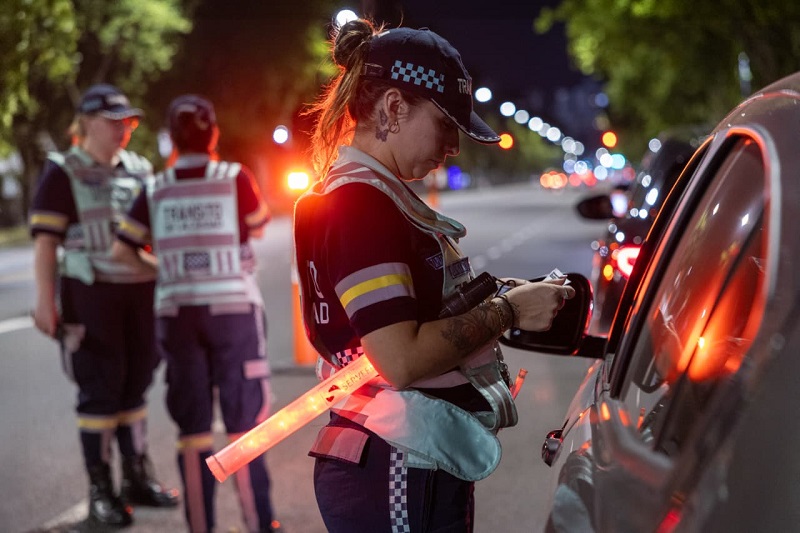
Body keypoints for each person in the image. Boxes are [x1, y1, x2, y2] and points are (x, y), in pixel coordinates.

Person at [293, 19, 576, 532]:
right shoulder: (360, 204)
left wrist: (504, 295)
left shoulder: (369, 194)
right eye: (445, 125)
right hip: (396, 461)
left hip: (401, 454)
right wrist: (508, 310)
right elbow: (399, 359)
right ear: (395, 106)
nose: (452, 146)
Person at [111, 94, 280, 533]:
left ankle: (201, 527)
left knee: (193, 431)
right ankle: (260, 524)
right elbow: (259, 223)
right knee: (245, 426)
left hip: (178, 317)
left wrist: (165, 268)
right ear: (214, 134)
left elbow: (122, 249)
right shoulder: (234, 177)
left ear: (172, 138)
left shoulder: (156, 187)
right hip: (233, 315)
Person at [30, 83, 179, 528]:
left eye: (128, 122)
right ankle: (101, 489)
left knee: (135, 385)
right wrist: (44, 301)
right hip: (88, 294)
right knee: (99, 389)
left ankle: (136, 477)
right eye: (115, 122)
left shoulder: (138, 169)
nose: (124, 130)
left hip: (139, 292)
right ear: (88, 123)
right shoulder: (63, 171)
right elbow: (45, 243)